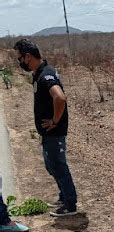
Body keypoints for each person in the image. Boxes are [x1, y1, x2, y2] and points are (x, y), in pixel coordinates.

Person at [13, 39, 78, 217]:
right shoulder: (39, 73)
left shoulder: (46, 75)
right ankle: (64, 196)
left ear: (28, 56)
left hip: (54, 132)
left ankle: (70, 205)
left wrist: (55, 121)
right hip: (47, 133)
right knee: (52, 166)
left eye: (20, 58)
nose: (19, 63)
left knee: (58, 166)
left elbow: (60, 98)